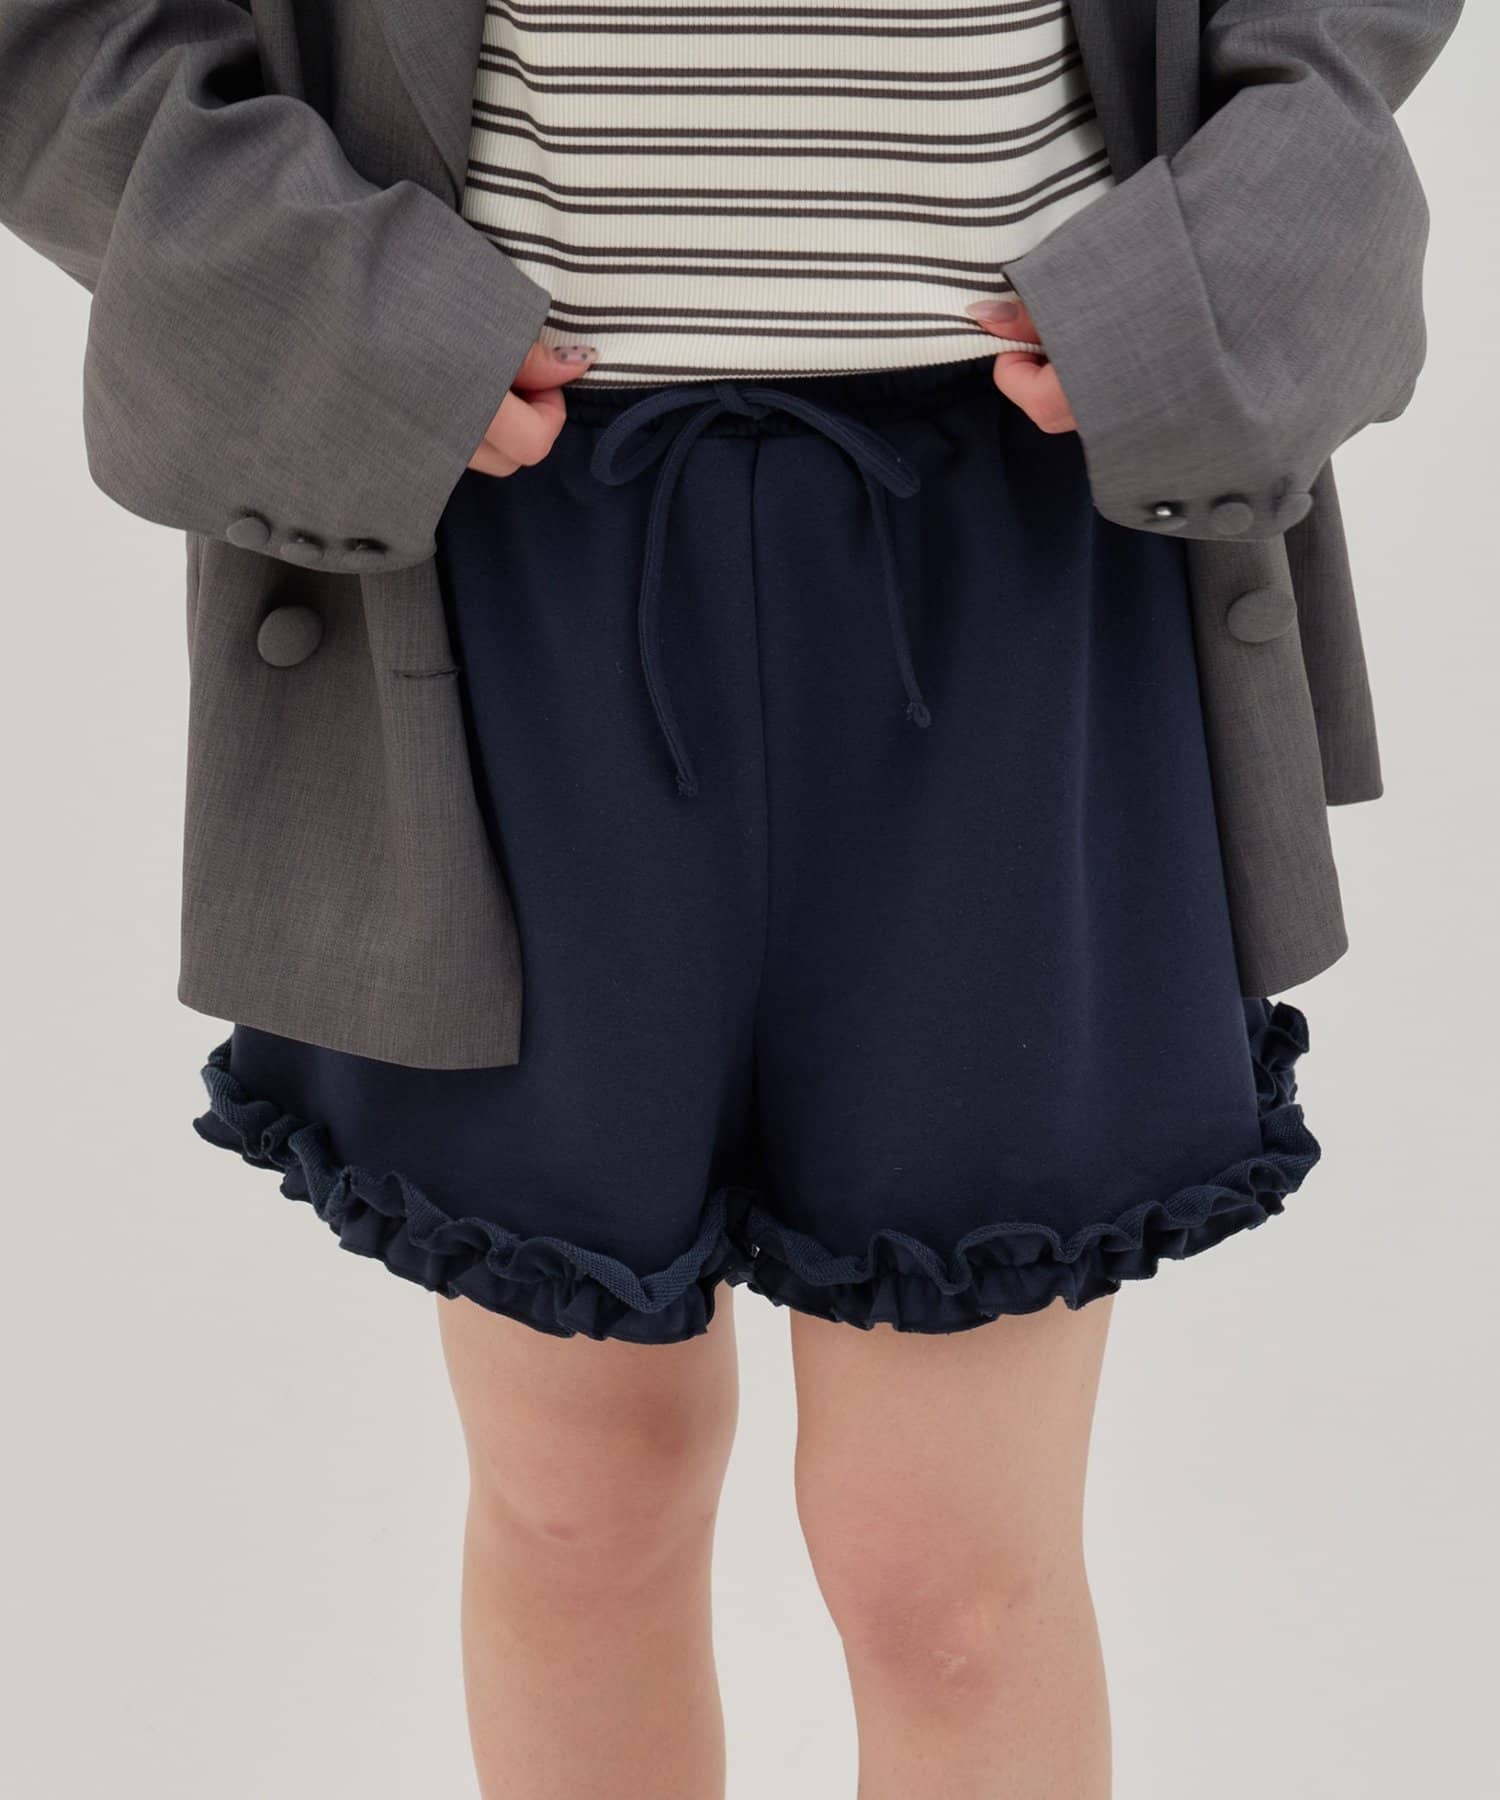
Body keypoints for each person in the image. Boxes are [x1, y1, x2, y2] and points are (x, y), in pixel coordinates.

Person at [0, 0, 1462, 1793]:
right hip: (494, 525)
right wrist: (325, 306)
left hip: (1031, 522)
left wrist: (1237, 259)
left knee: (949, 1580)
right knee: (579, 1511)